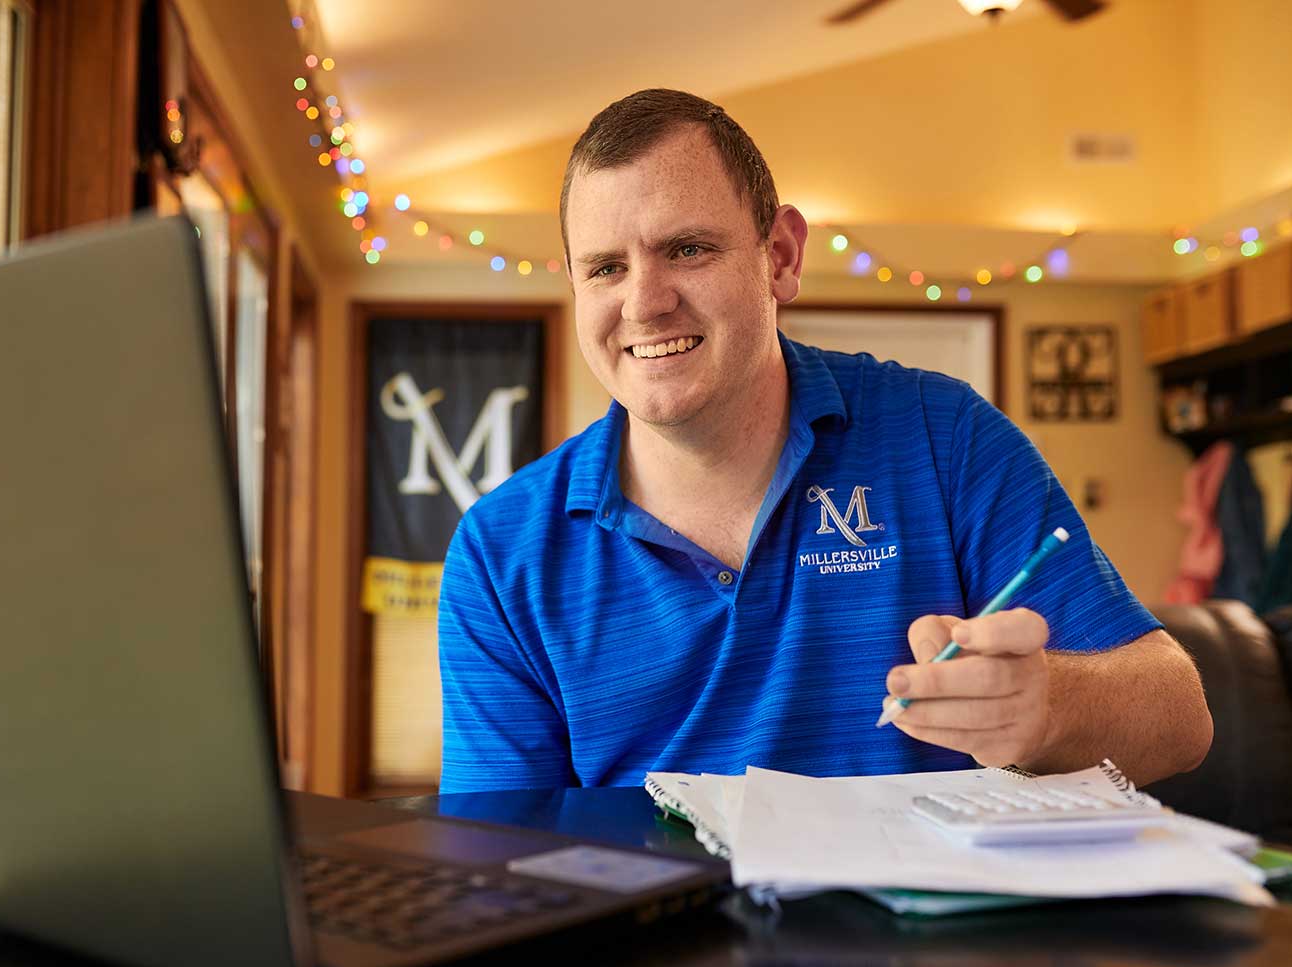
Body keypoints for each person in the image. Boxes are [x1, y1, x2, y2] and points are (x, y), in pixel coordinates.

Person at [437, 88, 1212, 794]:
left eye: (688, 249)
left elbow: (1181, 718)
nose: (646, 302)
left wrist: (1045, 708)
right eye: (606, 267)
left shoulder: (945, 437)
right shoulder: (501, 553)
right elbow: (503, 862)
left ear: (780, 256)